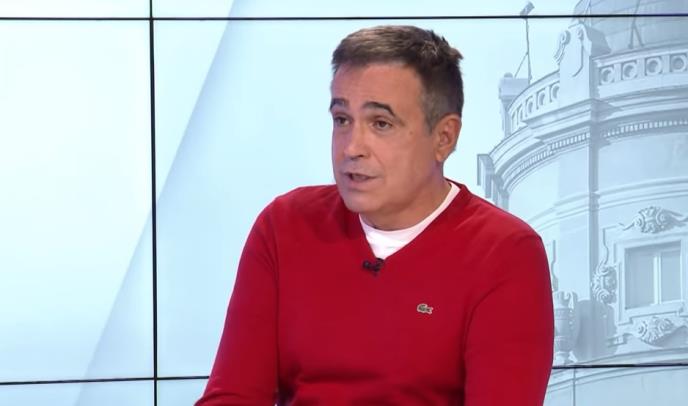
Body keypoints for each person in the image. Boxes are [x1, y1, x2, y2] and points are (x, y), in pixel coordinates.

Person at [196, 25, 554, 405]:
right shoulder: (284, 226)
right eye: (342, 120)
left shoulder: (505, 253)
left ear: (444, 138)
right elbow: (233, 395)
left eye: (380, 124)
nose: (352, 147)